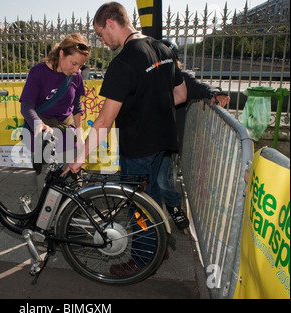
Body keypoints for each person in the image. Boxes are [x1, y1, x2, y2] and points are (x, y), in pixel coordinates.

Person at [65, 2, 187, 226]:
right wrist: (151, 105)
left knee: (137, 204)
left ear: (110, 23)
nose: (101, 40)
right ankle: (158, 244)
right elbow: (180, 94)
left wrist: (79, 159)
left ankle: (143, 259)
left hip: (138, 146)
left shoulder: (123, 62)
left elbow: (104, 121)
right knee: (151, 195)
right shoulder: (164, 49)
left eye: (99, 34)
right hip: (164, 140)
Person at [156, 39, 231, 229]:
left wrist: (216, 93)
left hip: (167, 141)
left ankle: (173, 206)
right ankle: (152, 220)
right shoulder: (148, 77)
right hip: (146, 138)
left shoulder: (181, 78)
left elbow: (201, 87)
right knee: (147, 182)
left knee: (161, 180)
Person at [19, 33, 91, 192]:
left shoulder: (76, 75)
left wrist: (79, 135)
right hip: (44, 137)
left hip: (68, 134)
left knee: (74, 187)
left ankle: (71, 215)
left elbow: (77, 106)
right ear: (61, 53)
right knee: (46, 188)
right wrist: (37, 124)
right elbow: (26, 106)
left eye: (80, 66)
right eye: (73, 63)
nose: (76, 69)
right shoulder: (38, 72)